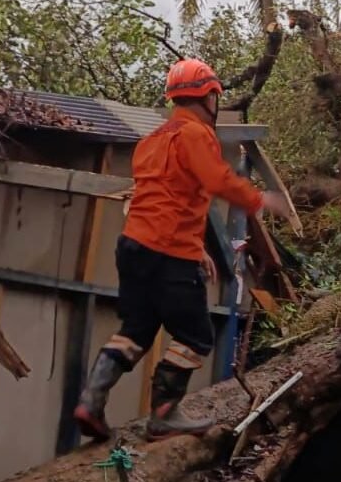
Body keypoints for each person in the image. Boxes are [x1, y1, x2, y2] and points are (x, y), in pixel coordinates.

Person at [74, 57, 292, 442]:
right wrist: (260, 200)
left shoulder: (153, 140)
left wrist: (198, 249)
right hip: (168, 253)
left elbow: (164, 198)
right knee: (195, 336)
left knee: (136, 330)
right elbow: (217, 180)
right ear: (209, 96)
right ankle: (164, 414)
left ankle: (91, 402)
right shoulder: (196, 135)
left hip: (135, 246)